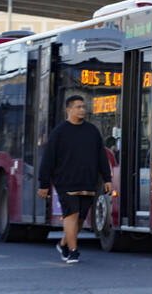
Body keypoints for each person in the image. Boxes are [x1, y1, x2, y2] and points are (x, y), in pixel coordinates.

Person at [38, 95, 112, 264]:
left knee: (80, 219)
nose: (82, 110)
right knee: (72, 215)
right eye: (78, 107)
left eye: (83, 107)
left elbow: (101, 157)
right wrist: (44, 184)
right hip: (65, 182)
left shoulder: (92, 131)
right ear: (69, 110)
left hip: (87, 181)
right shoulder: (59, 132)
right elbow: (48, 160)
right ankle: (73, 250)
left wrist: (107, 179)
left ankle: (64, 243)